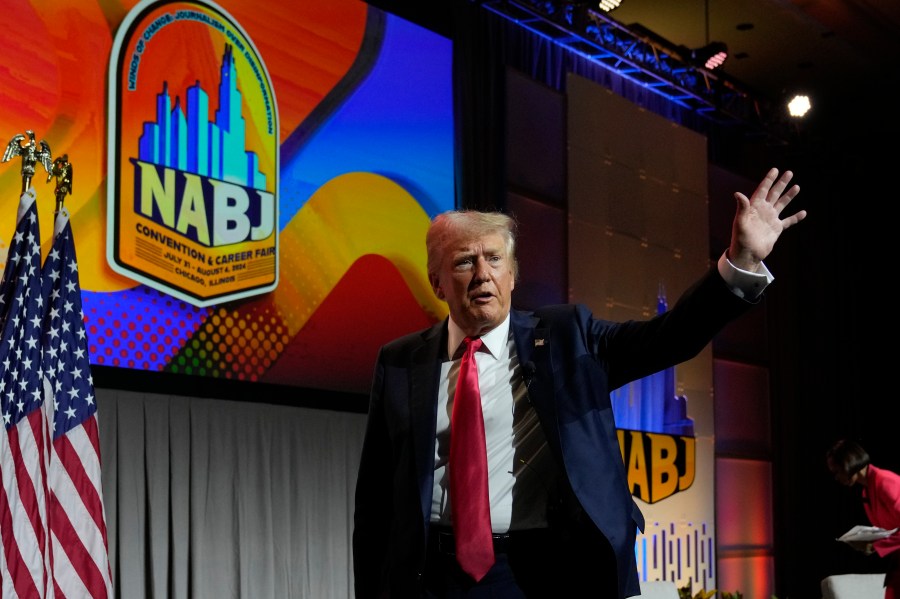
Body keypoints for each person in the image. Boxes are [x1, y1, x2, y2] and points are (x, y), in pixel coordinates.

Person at [353, 167, 806, 598]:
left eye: (494, 259)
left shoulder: (569, 338)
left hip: (538, 572)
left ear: (513, 275)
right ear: (437, 282)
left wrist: (740, 262)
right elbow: (374, 501)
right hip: (429, 575)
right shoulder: (399, 362)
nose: (482, 274)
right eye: (464, 262)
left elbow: (670, 339)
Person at [826, 439, 900, 599]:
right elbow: (888, 530)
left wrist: (877, 544)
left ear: (848, 463)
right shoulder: (867, 492)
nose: (836, 478)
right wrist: (869, 542)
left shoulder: (885, 482)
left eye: (836, 471)